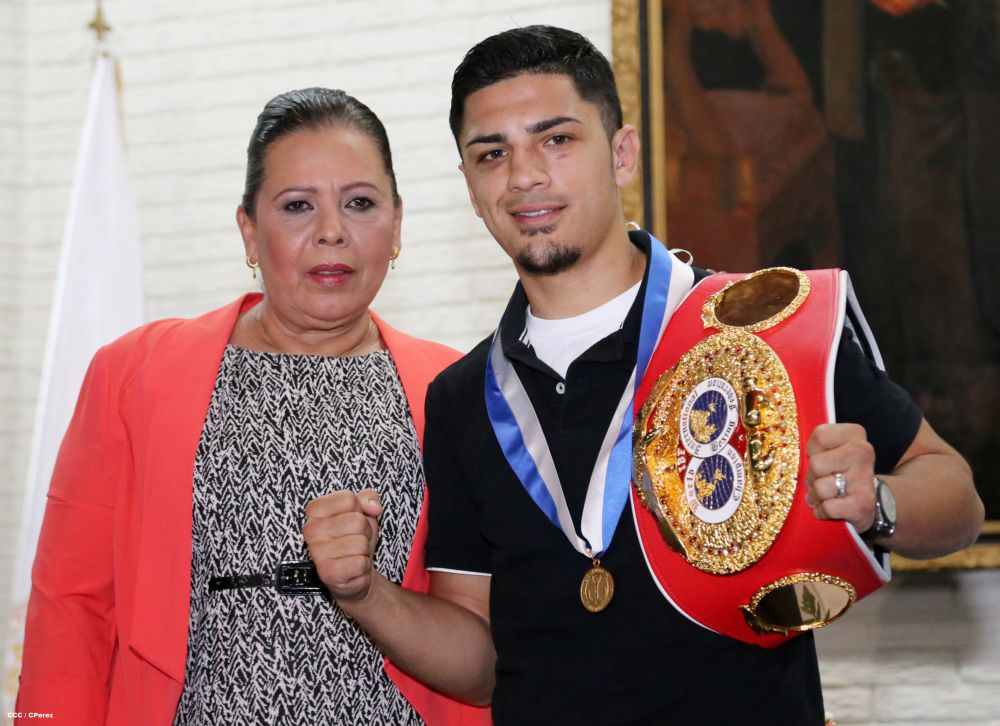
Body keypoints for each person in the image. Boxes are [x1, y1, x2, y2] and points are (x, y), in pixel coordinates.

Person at [303, 25, 984, 724]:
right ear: (471, 187)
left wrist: (877, 503)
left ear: (622, 153)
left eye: (557, 139)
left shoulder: (753, 323)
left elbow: (956, 497)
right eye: (491, 153)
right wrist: (364, 594)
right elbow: (481, 667)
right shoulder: (462, 398)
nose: (525, 174)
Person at [15, 87, 488, 725]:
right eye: (297, 206)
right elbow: (70, 604)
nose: (331, 232)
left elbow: (485, 633)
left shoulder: (458, 389)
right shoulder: (134, 375)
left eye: (360, 203)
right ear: (248, 228)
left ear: (397, 225)